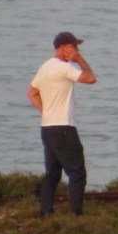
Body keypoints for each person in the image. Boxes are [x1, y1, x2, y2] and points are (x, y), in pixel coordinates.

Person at [27, 31, 97, 216]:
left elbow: (32, 93)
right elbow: (91, 78)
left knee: (52, 173)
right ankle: (76, 214)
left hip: (47, 127)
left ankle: (45, 212)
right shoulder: (64, 68)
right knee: (77, 173)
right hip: (64, 127)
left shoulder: (45, 67)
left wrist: (46, 111)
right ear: (63, 48)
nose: (77, 50)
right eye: (74, 46)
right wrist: (79, 60)